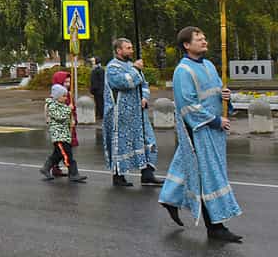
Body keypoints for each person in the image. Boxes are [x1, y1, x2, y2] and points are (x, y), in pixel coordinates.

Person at [159, 26, 243, 243]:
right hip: (198, 129)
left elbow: (214, 93)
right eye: (199, 39)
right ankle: (215, 227)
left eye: (205, 38)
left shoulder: (209, 65)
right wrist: (215, 120)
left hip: (215, 130)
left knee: (189, 168)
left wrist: (225, 97)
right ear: (187, 45)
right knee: (208, 175)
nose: (204, 41)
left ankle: (170, 198)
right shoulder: (183, 71)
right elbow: (187, 105)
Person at [103, 38, 161, 187]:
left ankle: (147, 174)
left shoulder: (132, 65)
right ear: (119, 50)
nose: (131, 50)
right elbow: (123, 83)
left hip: (138, 112)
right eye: (128, 48)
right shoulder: (112, 67)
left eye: (131, 47)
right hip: (120, 114)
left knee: (148, 141)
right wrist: (135, 69)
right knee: (121, 145)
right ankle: (118, 176)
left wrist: (144, 97)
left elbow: (144, 84)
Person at [40, 84, 87, 182]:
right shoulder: (52, 106)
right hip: (59, 136)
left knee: (57, 155)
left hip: (65, 135)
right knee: (67, 155)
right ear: (57, 96)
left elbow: (66, 118)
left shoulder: (62, 105)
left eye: (66, 96)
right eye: (63, 96)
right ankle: (73, 173)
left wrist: (72, 121)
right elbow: (59, 117)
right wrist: (69, 109)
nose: (65, 98)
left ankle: (46, 168)